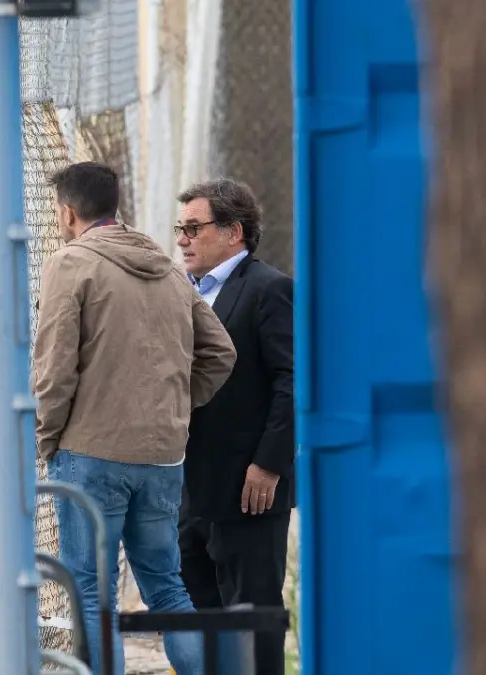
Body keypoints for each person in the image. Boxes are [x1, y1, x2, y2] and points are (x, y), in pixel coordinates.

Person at [32, 162, 237, 675]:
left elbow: (55, 368)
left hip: (90, 452)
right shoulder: (167, 268)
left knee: (90, 590)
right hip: (162, 456)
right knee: (167, 587)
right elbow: (221, 352)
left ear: (68, 212)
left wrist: (44, 437)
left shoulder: (71, 264)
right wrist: (173, 407)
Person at [174, 178, 295, 675]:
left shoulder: (268, 289)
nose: (182, 239)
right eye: (179, 228)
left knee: (252, 619)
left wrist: (268, 465)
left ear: (233, 232)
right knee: (202, 617)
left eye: (193, 228)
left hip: (250, 492)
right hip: (190, 488)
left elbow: (293, 381)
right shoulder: (181, 293)